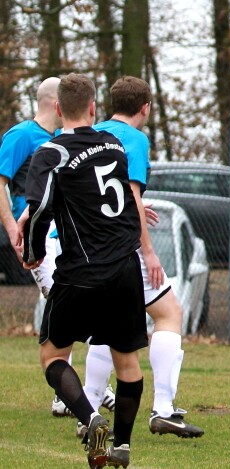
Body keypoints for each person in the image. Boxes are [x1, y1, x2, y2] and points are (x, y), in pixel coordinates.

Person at [22, 73, 146, 468]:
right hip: (125, 267)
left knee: (52, 356)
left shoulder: (51, 153)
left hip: (81, 272)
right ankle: (122, 446)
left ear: (58, 108)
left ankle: (91, 419)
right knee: (127, 362)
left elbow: (40, 209)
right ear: (93, 107)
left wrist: (33, 251)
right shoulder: (113, 144)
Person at [87, 75, 204, 439]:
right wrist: (149, 252)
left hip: (90, 245)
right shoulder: (135, 139)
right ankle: (163, 409)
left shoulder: (91, 133)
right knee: (169, 313)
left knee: (106, 324)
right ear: (145, 107)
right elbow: (131, 193)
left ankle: (87, 411)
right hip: (123, 246)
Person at [0, 77, 112, 416]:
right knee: (70, 306)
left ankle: (71, 393)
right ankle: (78, 392)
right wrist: (13, 230)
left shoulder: (63, 139)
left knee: (70, 309)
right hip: (39, 237)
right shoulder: (22, 135)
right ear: (55, 103)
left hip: (65, 237)